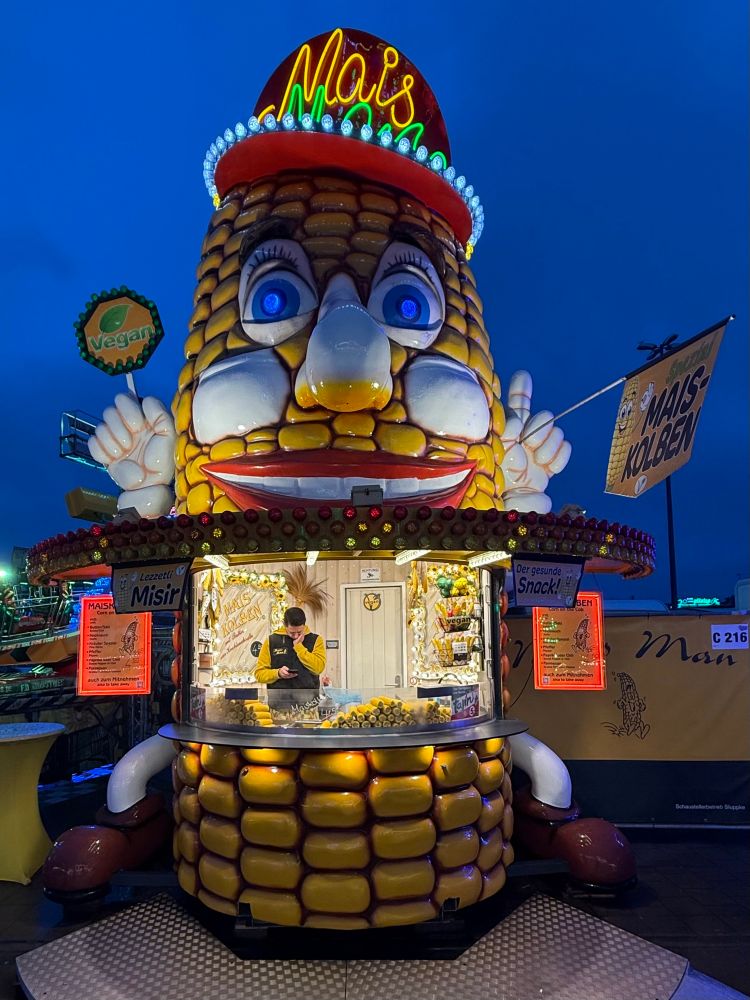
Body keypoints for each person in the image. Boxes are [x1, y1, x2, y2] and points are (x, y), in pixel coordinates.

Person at [255, 607, 326, 708]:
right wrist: (278, 673)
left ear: (304, 625)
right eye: (292, 633)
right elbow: (259, 674)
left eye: (300, 632)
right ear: (285, 625)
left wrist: (299, 647)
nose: (296, 636)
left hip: (309, 706)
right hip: (278, 705)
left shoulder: (316, 640)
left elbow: (318, 668)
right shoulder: (271, 641)